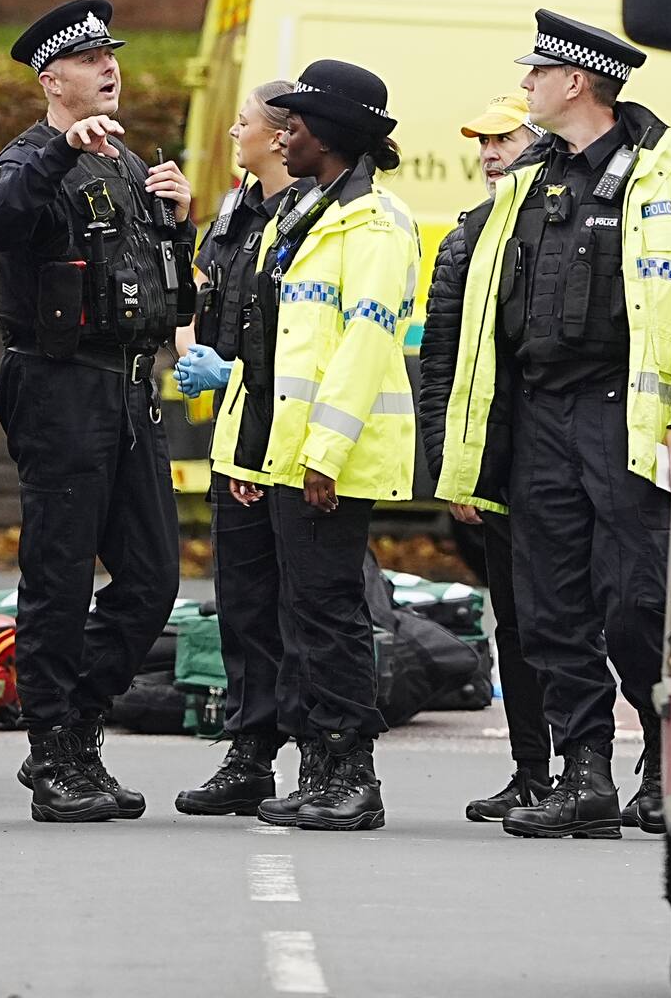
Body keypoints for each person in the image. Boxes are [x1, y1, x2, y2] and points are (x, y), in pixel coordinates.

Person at [436, 10, 671, 839]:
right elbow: (480, 317)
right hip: (539, 413)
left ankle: (661, 758)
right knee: (549, 605)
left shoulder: (666, 177)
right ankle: (583, 774)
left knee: (636, 602)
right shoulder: (526, 182)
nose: (528, 86)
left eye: (538, 75)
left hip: (625, 413)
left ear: (576, 82)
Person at [0, 0, 196, 823]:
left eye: (114, 55)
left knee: (151, 578)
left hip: (130, 385)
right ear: (52, 78)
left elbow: (157, 285)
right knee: (59, 578)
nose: (111, 67)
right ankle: (54, 750)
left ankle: (79, 717)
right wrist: (56, 155)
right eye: (92, 58)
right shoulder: (29, 157)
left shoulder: (127, 163)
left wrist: (176, 223)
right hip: (59, 386)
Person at [210, 60, 421, 832]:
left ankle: (352, 774)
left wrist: (324, 455)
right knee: (300, 615)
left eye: (296, 124)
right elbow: (272, 347)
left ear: (329, 135)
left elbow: (364, 345)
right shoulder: (303, 215)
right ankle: (320, 768)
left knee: (329, 617)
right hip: (283, 454)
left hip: (325, 461)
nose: (283, 133)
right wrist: (250, 453)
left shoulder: (374, 223)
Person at [172, 80, 314, 816]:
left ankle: (321, 754)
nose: (233, 130)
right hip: (238, 431)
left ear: (283, 133)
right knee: (244, 605)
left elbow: (301, 336)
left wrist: (238, 377)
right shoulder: (236, 209)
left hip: (286, 432)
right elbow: (202, 296)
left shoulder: (309, 216)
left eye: (246, 121)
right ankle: (250, 751)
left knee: (306, 607)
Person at [419, 90, 554, 822]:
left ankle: (602, 768)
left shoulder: (562, 226)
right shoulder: (465, 239)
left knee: (582, 616)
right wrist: (452, 466)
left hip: (566, 457)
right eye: (483, 144)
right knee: (515, 618)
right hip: (497, 463)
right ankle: (531, 770)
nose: (491, 155)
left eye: (507, 139)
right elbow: (439, 363)